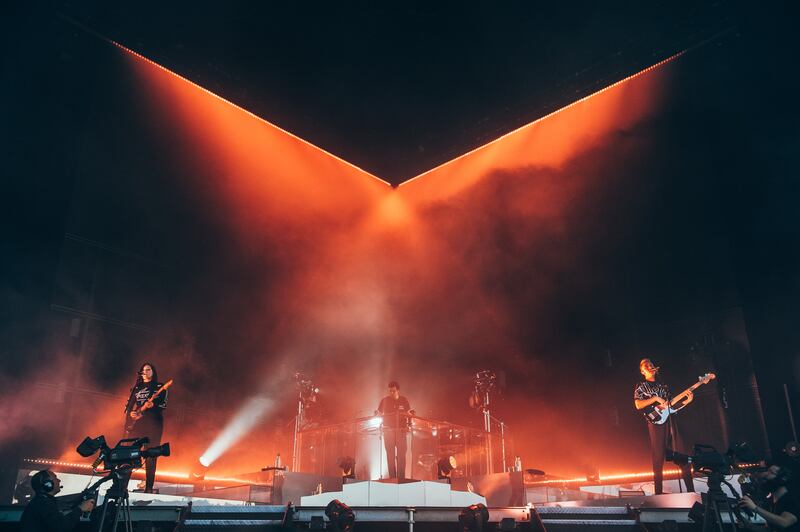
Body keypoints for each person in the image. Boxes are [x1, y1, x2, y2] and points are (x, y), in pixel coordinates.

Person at [633, 357, 695, 495]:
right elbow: (638, 404)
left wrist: (686, 402)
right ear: (643, 371)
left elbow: (671, 407)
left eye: (651, 364)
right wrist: (655, 398)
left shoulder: (663, 386)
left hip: (670, 420)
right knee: (658, 456)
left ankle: (691, 491)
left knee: (682, 454)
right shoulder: (641, 385)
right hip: (655, 422)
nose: (651, 366)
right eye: (647, 365)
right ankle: (658, 494)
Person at [124, 362, 168, 493]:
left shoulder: (160, 386)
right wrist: (131, 415)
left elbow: (163, 404)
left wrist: (153, 405)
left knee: (151, 454)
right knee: (131, 453)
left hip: (154, 423)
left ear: (153, 372)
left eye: (148, 369)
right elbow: (129, 407)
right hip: (138, 423)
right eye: (144, 370)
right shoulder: (136, 388)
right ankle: (123, 486)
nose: (146, 372)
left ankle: (149, 488)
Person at [20, 470, 95, 532]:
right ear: (48, 484)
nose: (59, 480)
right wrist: (80, 509)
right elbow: (60, 527)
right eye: (55, 478)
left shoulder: (41, 501)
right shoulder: (43, 503)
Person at [739, 464, 799, 531]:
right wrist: (749, 526)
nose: (765, 474)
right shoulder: (770, 501)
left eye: (771, 472)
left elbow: (784, 522)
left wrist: (755, 508)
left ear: (782, 478)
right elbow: (768, 530)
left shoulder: (793, 499)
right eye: (767, 471)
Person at [376, 381, 412, 479]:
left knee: (401, 456)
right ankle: (392, 478)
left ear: (398, 390)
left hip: (401, 431)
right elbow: (378, 412)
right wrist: (376, 413)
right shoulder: (384, 400)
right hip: (388, 432)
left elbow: (409, 413)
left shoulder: (404, 400)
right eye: (390, 391)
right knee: (390, 456)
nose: (391, 393)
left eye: (393, 391)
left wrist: (409, 421)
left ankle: (401, 478)